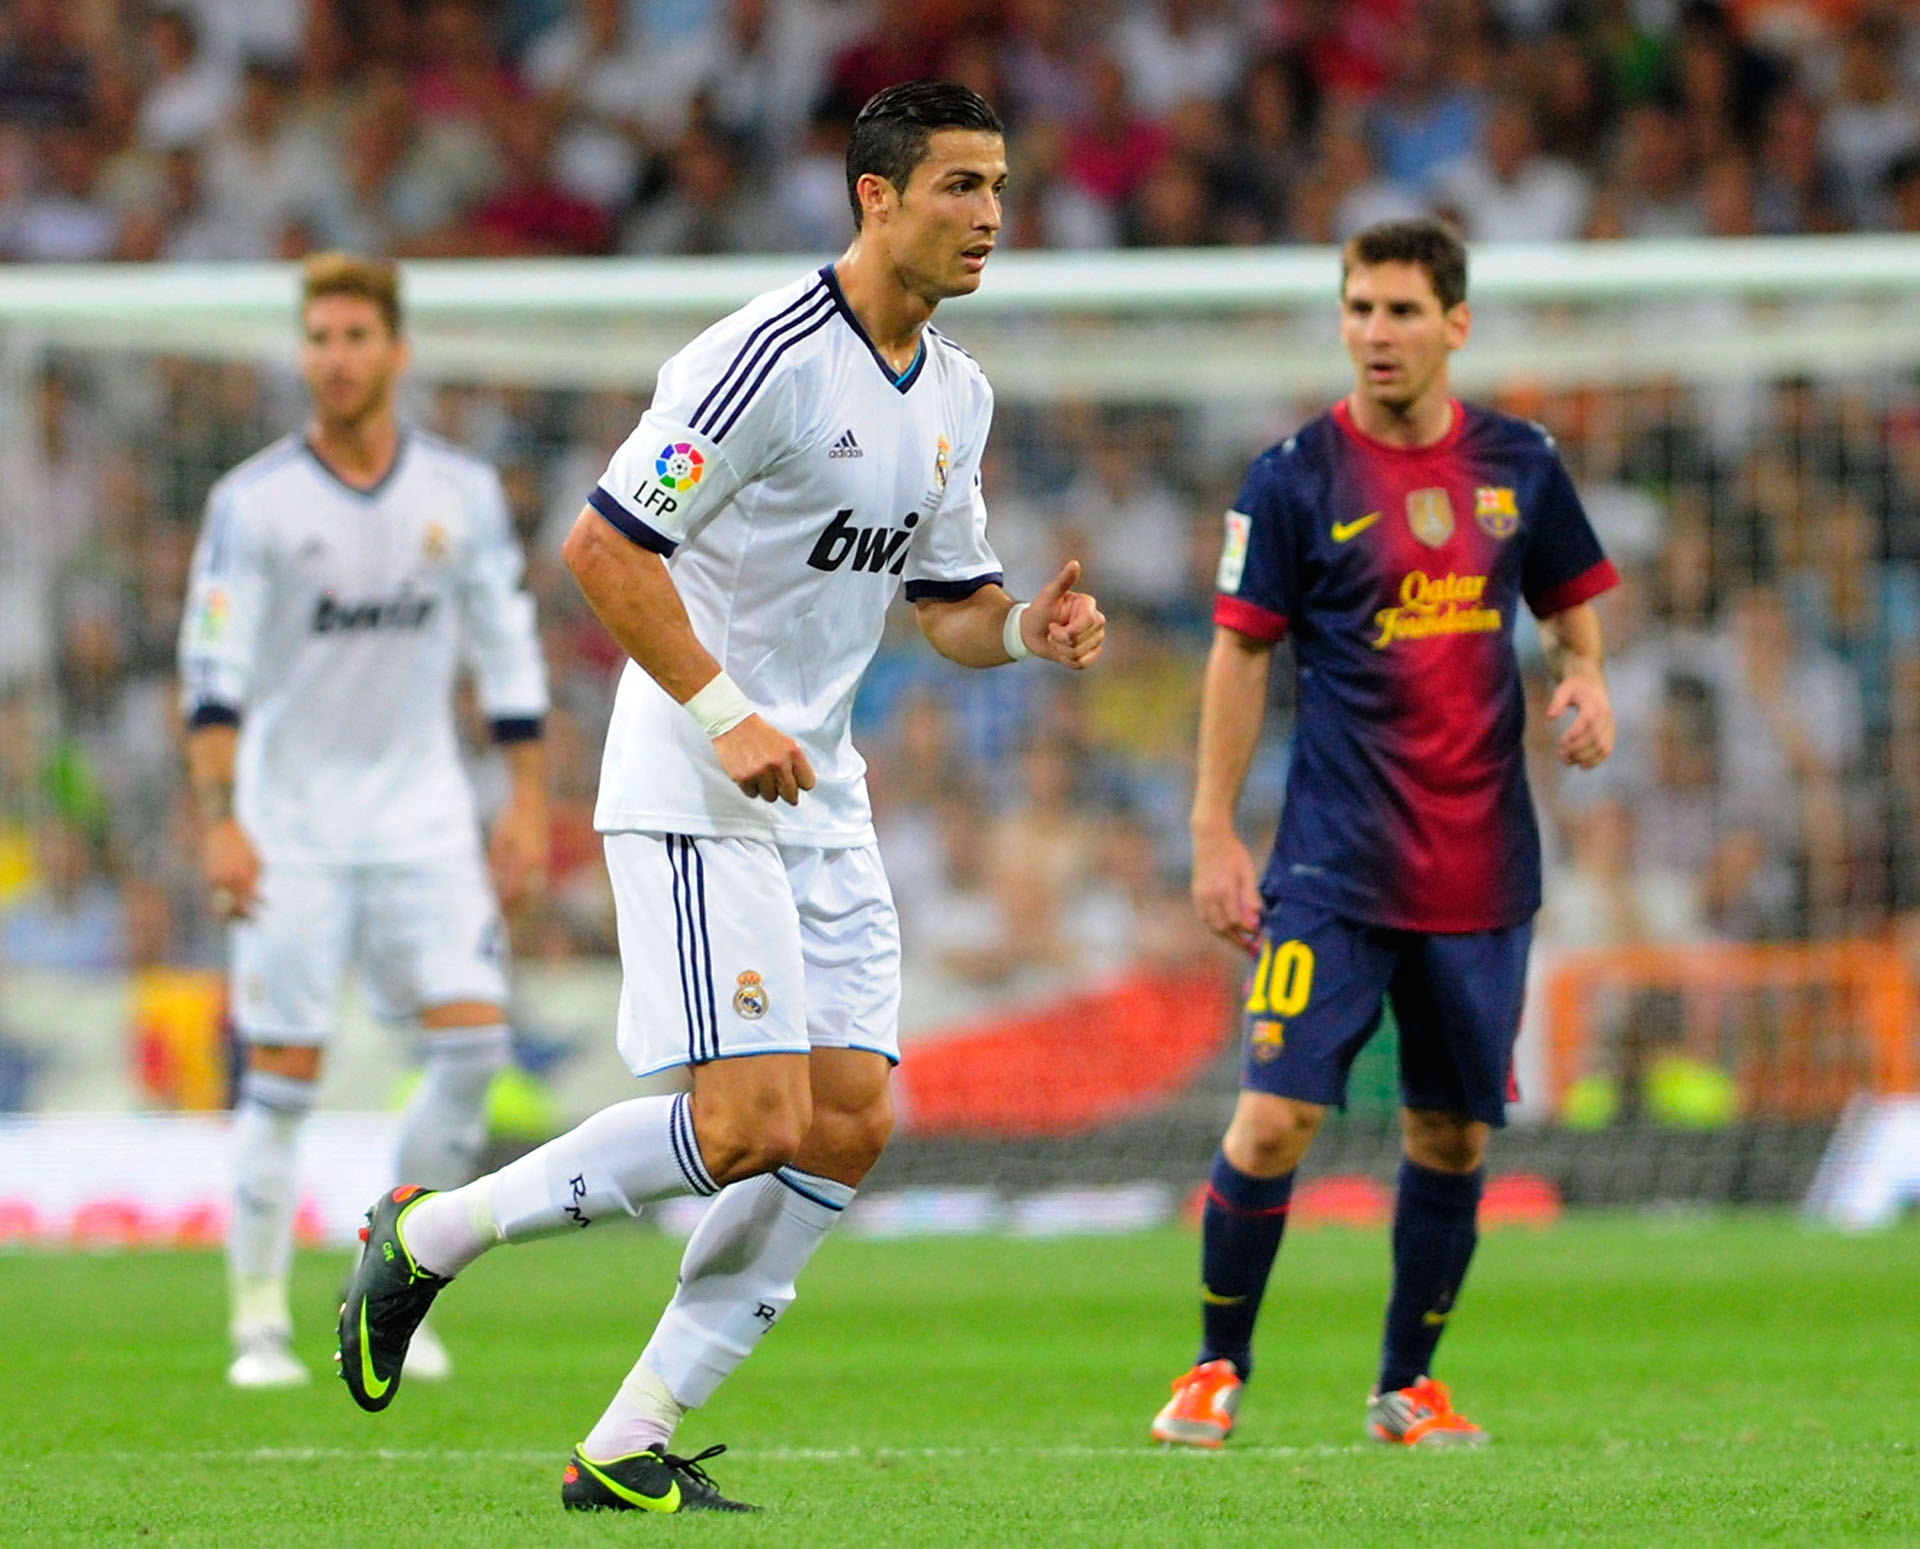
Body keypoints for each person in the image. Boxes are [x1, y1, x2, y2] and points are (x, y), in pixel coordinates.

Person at [336, 80, 1104, 1514]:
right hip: (699, 775)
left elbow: (946, 600)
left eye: (999, 185)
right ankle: (431, 1231)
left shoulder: (956, 391)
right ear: (876, 196)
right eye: (959, 186)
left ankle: (626, 1441)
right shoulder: (763, 357)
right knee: (749, 1118)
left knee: (851, 1120)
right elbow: (604, 548)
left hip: (821, 787)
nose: (991, 215)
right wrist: (725, 712)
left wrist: (1021, 632)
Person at [1151, 217, 1616, 1451]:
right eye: (1360, 308)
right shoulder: (1295, 475)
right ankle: (1213, 1367)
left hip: (1480, 866)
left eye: (1402, 311)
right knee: (1273, 1116)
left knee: (1451, 1131)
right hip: (1330, 865)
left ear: (1455, 324)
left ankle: (1406, 1384)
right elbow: (1240, 652)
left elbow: (1572, 606)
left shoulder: (1522, 463)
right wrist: (1212, 828)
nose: (1376, 333)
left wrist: (1587, 681)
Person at [178, 253, 550, 1389]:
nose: (335, 359)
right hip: (290, 822)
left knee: (475, 1041)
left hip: (427, 817)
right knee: (282, 1072)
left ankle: (398, 1289)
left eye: (354, 337)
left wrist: (528, 799)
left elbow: (505, 647)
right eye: (319, 339)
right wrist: (220, 818)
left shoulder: (462, 493)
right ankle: (254, 1322)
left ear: (396, 351)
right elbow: (211, 672)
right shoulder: (253, 503)